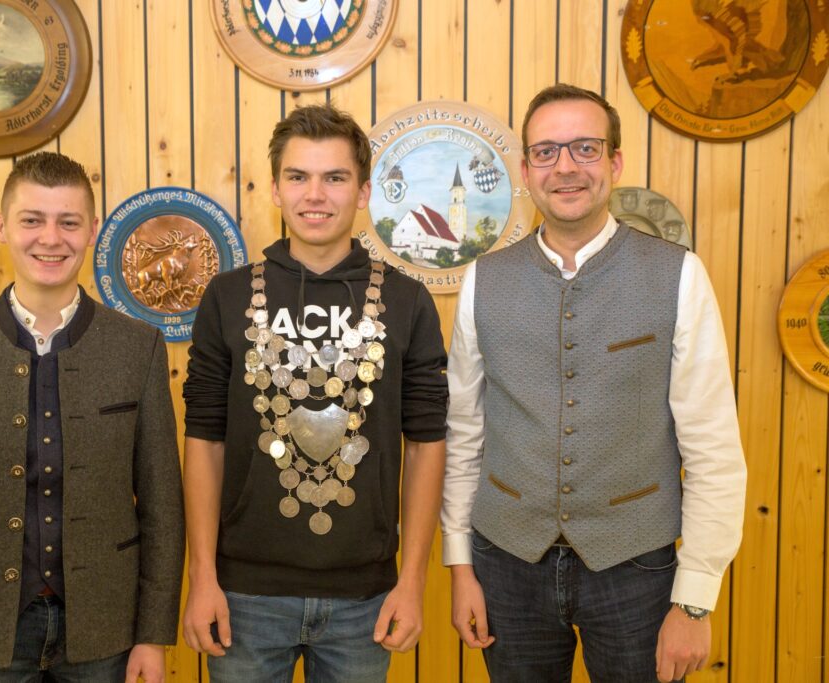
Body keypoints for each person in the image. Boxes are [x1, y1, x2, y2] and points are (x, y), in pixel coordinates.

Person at [441, 84, 747, 683]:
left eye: (585, 147)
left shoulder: (679, 275)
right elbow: (464, 433)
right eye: (546, 151)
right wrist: (459, 566)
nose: (566, 167)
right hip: (505, 566)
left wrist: (694, 599)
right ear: (526, 171)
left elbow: (713, 447)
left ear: (615, 162)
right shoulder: (483, 279)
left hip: (638, 571)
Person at [0, 152, 184, 683]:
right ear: (3, 227)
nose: (51, 238)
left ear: (91, 230)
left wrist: (152, 635)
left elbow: (162, 507)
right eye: (32, 220)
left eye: (68, 222)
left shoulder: (138, 346)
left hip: (106, 630)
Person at [181, 103, 448, 682]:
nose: (315, 195)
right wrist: (201, 576)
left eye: (335, 177)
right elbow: (203, 439)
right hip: (245, 595)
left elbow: (428, 443)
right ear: (276, 189)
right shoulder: (227, 296)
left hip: (366, 599)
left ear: (363, 191)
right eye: (298, 176)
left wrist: (412, 580)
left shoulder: (407, 301)